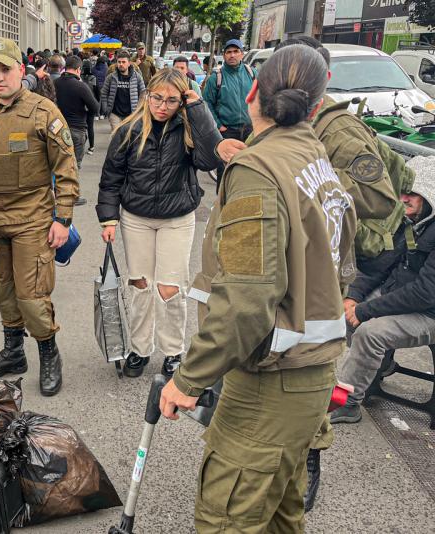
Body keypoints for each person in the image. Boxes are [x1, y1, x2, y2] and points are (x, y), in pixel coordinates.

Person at [159, 45, 356, 531]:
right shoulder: (315, 156)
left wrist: (189, 377)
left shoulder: (258, 171)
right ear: (316, 103)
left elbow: (248, 298)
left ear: (252, 92)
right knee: (281, 513)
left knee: (229, 518)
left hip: (271, 379)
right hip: (310, 370)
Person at [215, 34, 399, 513]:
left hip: (304, 317)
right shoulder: (289, 141)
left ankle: (306, 457)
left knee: (236, 502)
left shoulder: (334, 133)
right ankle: (298, 460)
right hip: (301, 316)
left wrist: (308, 194)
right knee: (281, 496)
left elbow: (380, 199)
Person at [0, 38, 79, 396]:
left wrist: (64, 218)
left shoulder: (43, 112)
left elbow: (67, 168)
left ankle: (48, 353)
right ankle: (14, 353)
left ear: (20, 71)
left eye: (4, 70)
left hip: (33, 219)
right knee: (5, 291)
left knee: (32, 296)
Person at [97, 69, 220, 377]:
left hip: (177, 218)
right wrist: (108, 218)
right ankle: (140, 349)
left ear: (182, 100)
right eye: (157, 98)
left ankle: (173, 350)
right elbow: (111, 177)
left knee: (170, 288)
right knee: (139, 284)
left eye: (171, 100)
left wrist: (198, 108)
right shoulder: (129, 129)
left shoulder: (189, 128)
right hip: (136, 217)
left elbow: (210, 160)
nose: (162, 106)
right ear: (147, 96)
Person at [331, 155, 435, 425]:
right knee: (340, 314)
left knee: (369, 332)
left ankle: (346, 403)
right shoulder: (411, 221)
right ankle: (379, 364)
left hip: (429, 313)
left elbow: (425, 292)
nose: (404, 198)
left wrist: (367, 310)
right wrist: (352, 297)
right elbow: (379, 264)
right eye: (402, 191)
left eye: (412, 193)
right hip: (402, 297)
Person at [202, 39, 254, 148]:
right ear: (224, 55)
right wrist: (219, 125)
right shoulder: (216, 77)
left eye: (236, 51)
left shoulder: (252, 73)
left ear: (242, 54)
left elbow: (262, 97)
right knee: (227, 163)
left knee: (249, 163)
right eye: (229, 52)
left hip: (250, 130)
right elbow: (206, 104)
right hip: (227, 131)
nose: (232, 55)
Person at [55, 55, 99, 170]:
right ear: (79, 69)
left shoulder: (55, 83)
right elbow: (95, 107)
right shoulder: (81, 86)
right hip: (77, 129)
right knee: (73, 168)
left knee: (58, 166)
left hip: (57, 128)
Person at [100, 49, 146, 130]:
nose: (121, 64)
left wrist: (139, 111)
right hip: (115, 114)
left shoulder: (137, 77)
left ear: (129, 63)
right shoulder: (111, 77)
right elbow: (104, 93)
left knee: (128, 138)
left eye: (123, 62)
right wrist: (106, 109)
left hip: (131, 114)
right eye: (119, 62)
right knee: (116, 137)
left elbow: (143, 94)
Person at [79, 58, 98, 154]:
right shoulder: (94, 78)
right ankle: (91, 147)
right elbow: (98, 93)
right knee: (90, 127)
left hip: (81, 105)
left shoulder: (79, 78)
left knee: (81, 127)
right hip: (91, 104)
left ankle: (81, 146)